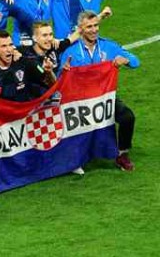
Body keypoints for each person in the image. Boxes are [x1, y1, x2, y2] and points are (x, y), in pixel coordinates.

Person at [0, 31, 56, 194]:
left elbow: (52, 84)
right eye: (4, 46)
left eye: (10, 45)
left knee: (48, 120)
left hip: (22, 113)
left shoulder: (25, 63)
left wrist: (49, 71)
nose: (9, 49)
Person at [59, 11, 139, 171]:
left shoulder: (109, 46)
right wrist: (64, 71)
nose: (94, 29)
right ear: (80, 29)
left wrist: (126, 60)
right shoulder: (70, 52)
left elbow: (136, 61)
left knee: (127, 117)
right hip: (80, 102)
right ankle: (73, 157)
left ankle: (122, 154)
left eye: (96, 25)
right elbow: (59, 80)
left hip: (104, 99)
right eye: (89, 26)